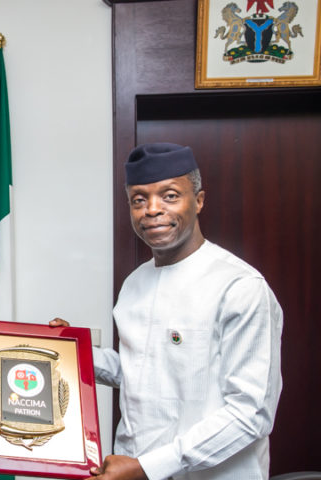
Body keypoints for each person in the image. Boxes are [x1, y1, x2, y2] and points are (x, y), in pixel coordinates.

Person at [51, 143, 283, 480]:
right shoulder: (134, 284)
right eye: (139, 200)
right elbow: (138, 369)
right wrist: (71, 350)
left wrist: (149, 467)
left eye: (170, 195)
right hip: (132, 467)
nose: (152, 210)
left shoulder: (239, 286)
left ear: (199, 201)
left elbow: (251, 413)